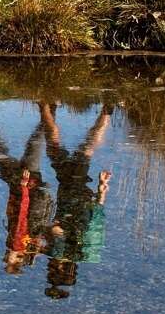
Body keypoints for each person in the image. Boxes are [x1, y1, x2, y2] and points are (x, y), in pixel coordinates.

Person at [41, 102, 113, 299]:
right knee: (60, 149)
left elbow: (97, 219)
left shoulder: (85, 252)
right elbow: (57, 228)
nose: (48, 270)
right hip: (69, 193)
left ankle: (106, 113)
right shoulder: (58, 252)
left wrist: (101, 190)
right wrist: (43, 237)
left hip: (84, 196)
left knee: (84, 151)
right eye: (50, 272)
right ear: (58, 270)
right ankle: (45, 104)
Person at [0, 105, 54, 273]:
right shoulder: (18, 242)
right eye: (10, 258)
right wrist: (24, 186)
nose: (8, 254)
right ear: (18, 256)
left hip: (30, 183)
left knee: (34, 142)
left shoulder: (30, 243)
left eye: (7, 257)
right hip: (23, 183)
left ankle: (49, 109)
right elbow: (21, 214)